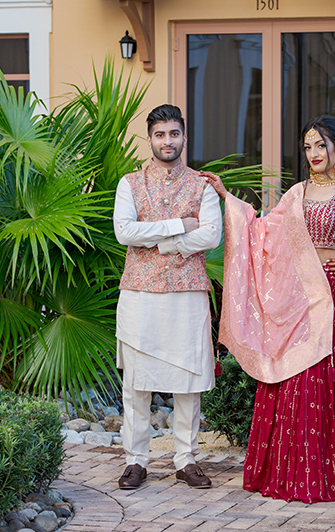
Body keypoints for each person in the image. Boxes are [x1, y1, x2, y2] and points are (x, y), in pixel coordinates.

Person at [203, 115, 335, 503]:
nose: (313, 153)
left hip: (331, 297)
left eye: (321, 145)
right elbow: (262, 231)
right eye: (308, 146)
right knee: (292, 378)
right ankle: (290, 474)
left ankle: (327, 475)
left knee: (325, 382)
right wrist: (228, 198)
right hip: (297, 298)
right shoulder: (297, 193)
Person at [113, 104, 222, 490]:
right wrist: (179, 227)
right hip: (140, 292)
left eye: (174, 134)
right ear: (150, 139)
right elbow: (125, 232)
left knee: (188, 379)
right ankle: (136, 460)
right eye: (160, 135)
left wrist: (161, 244)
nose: (167, 141)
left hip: (187, 293)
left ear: (184, 137)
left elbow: (211, 236)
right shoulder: (129, 183)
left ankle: (185, 459)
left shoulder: (203, 184)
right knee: (138, 381)